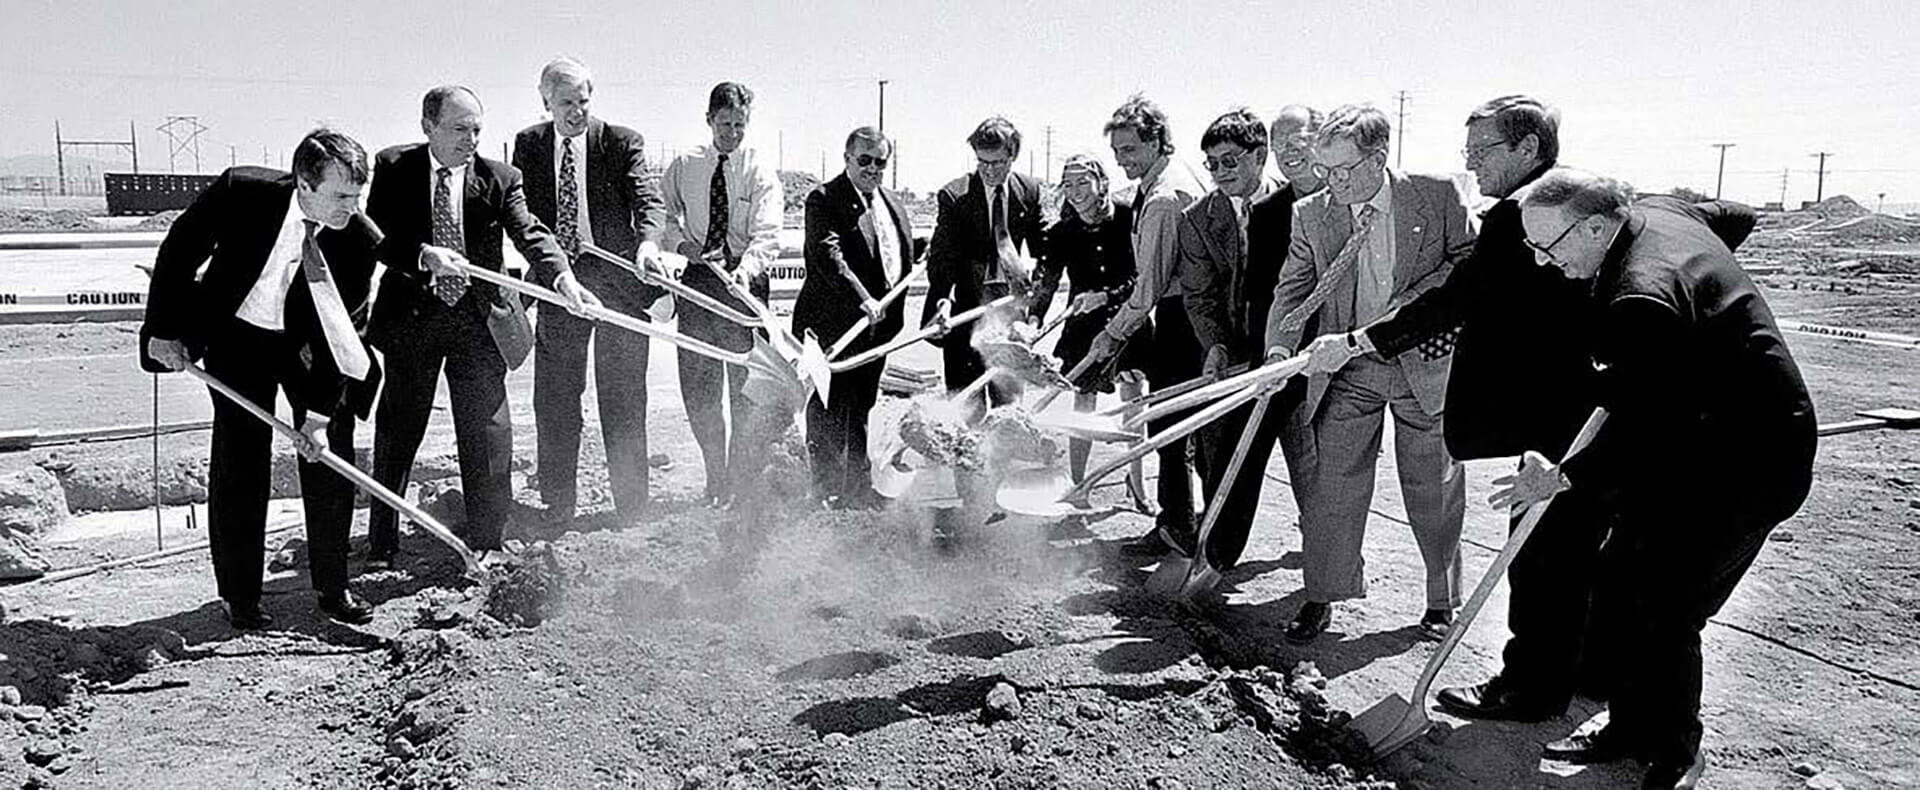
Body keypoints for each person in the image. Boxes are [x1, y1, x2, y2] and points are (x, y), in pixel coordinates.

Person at [1499, 168, 1813, 790]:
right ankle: (1629, 728)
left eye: (1547, 247)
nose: (1540, 263)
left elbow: (1644, 428)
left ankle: (1674, 750)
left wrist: (1558, 478)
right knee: (1620, 583)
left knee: (1664, 605)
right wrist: (1710, 292)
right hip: (1695, 433)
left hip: (1747, 459)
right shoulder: (1663, 210)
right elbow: (1738, 215)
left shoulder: (1640, 296)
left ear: (1595, 225)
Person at [139, 129, 383, 628]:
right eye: (340, 196)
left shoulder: (356, 238)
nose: (350, 207)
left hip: (308, 345)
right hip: (237, 335)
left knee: (330, 451)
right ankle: (241, 596)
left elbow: (345, 334)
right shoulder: (241, 191)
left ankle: (333, 587)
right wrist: (164, 331)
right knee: (240, 458)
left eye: (356, 195)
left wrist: (315, 417)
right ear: (304, 183)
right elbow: (179, 252)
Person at [1263, 104, 1474, 643]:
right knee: (1332, 486)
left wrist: (1411, 307)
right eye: (1325, 171)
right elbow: (1294, 287)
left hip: (1423, 366)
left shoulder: (1437, 195)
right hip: (1349, 368)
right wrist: (1278, 350)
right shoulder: (1312, 212)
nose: (1332, 184)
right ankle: (1323, 593)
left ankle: (1440, 600)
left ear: (1378, 158)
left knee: (1433, 488)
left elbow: (1469, 265)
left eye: (1344, 171)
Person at [365, 85, 597, 567]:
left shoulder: (501, 177)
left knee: (488, 432)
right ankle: (383, 540)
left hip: (479, 324)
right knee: (399, 427)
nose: (470, 140)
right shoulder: (393, 167)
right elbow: (378, 236)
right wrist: (422, 256)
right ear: (428, 126)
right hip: (414, 320)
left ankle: (486, 540)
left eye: (476, 130)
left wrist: (563, 279)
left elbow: (531, 232)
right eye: (458, 129)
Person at [513, 57, 665, 522]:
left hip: (619, 287)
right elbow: (525, 217)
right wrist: (551, 270)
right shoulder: (529, 145)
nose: (576, 112)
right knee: (556, 400)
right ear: (546, 102)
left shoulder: (621, 143)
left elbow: (647, 198)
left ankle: (632, 509)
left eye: (583, 101)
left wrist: (648, 244)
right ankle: (558, 505)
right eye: (565, 104)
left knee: (622, 400)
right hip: (560, 288)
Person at [1174, 107, 1311, 596]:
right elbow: (1200, 294)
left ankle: (1319, 567)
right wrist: (1214, 345)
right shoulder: (1198, 219)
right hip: (1232, 355)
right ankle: (1216, 556)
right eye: (1210, 163)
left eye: (1229, 161)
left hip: (1297, 354)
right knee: (1221, 456)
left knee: (1309, 464)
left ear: (1259, 155)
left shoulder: (1299, 202)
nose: (1219, 172)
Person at [1076, 94, 1208, 557]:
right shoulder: (1162, 182)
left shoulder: (1163, 199)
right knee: (1181, 426)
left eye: (1129, 150)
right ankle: (1179, 523)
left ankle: (1186, 530)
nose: (1122, 161)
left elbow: (1148, 287)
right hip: (1188, 314)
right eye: (1116, 153)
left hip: (1184, 319)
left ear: (1156, 141)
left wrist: (1111, 333)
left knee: (1174, 426)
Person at [658, 81, 785, 508]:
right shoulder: (685, 165)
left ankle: (738, 481)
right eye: (725, 123)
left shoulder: (759, 169)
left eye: (740, 124)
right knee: (699, 386)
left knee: (745, 389)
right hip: (699, 282)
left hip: (744, 288)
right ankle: (714, 473)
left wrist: (744, 273)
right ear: (709, 119)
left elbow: (768, 234)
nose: (732, 132)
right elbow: (659, 214)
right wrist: (681, 246)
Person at [793, 127, 914, 511]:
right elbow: (830, 258)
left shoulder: (892, 202)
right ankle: (825, 491)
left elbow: (891, 253)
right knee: (830, 407)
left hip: (878, 329)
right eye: (865, 160)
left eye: (881, 161)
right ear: (847, 159)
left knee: (862, 403)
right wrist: (864, 299)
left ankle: (857, 487)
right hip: (835, 326)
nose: (873, 168)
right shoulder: (824, 199)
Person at [1028, 154, 1151, 510]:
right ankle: (1078, 485)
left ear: (1101, 183)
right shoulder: (1062, 231)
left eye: (1083, 182)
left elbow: (1143, 278)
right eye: (1069, 184)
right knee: (1083, 403)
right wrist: (1034, 320)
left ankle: (1138, 484)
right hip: (1083, 328)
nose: (1076, 191)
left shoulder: (1129, 218)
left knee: (1135, 401)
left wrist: (1106, 297)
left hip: (1130, 319)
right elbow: (1045, 282)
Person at [923, 116, 1045, 408]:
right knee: (967, 408)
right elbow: (942, 261)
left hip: (1009, 314)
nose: (989, 171)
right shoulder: (955, 196)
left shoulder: (1028, 191)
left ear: (1012, 156)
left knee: (1009, 406)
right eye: (982, 162)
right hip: (965, 311)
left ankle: (1002, 454)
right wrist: (942, 302)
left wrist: (1035, 305)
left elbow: (1046, 250)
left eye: (998, 163)